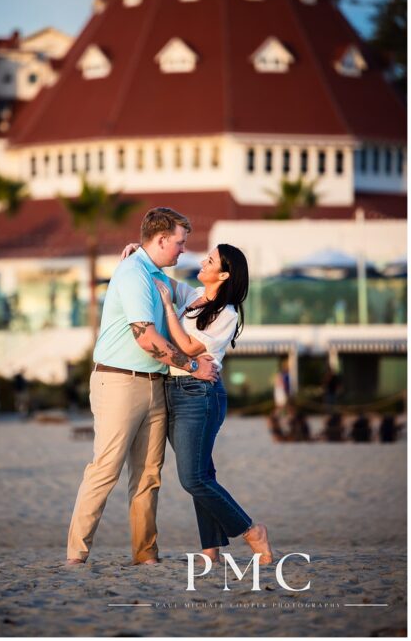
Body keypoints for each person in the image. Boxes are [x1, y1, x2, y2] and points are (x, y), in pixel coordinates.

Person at [65, 208, 220, 567]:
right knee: (105, 470)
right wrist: (194, 366)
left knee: (149, 475)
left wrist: (226, 283)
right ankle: (76, 555)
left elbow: (200, 299)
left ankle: (145, 554)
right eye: (179, 242)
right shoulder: (135, 273)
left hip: (156, 383)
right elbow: (145, 338)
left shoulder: (157, 274)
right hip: (119, 380)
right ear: (162, 239)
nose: (183, 249)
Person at [152, 244, 273, 565]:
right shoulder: (193, 297)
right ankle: (211, 548)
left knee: (193, 478)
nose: (202, 262)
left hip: (199, 393)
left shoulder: (227, 313)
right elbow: (157, 274)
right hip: (172, 389)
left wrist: (166, 308)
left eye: (210, 260)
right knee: (202, 472)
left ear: (224, 274)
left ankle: (251, 530)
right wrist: (138, 253)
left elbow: (191, 348)